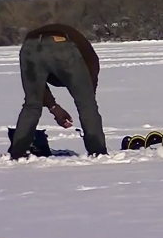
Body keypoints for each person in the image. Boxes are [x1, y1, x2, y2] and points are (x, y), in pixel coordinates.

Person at [8, 23, 108, 159]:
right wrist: (89, 96)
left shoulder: (77, 47)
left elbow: (39, 89)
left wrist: (54, 108)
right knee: (86, 104)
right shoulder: (89, 60)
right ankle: (98, 152)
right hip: (61, 44)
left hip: (29, 46)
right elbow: (88, 92)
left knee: (32, 104)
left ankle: (17, 153)